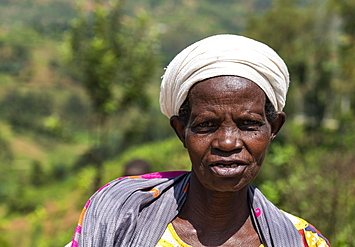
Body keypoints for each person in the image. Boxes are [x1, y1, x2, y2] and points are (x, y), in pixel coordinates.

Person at [67, 34, 330, 247]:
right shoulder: (120, 217)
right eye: (206, 125)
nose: (227, 143)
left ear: (273, 128)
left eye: (248, 124)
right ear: (181, 131)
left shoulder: (302, 241)